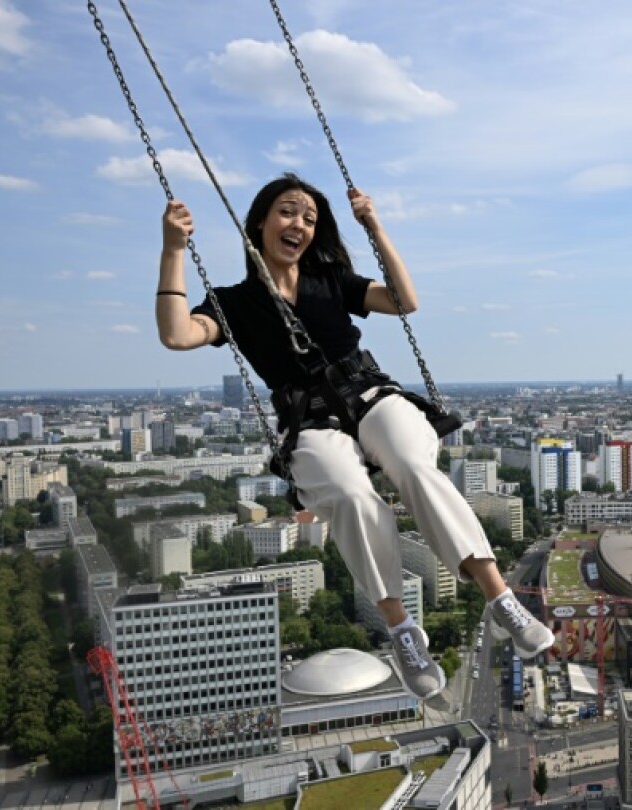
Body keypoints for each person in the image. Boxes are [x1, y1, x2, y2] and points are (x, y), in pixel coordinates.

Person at [155, 173, 552, 699]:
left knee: (412, 465)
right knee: (348, 495)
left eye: (310, 218)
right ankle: (402, 630)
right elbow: (177, 333)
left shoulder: (330, 280)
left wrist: (374, 227)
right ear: (260, 222)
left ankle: (500, 599)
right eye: (288, 211)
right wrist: (173, 249)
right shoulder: (234, 303)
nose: (299, 224)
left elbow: (404, 301)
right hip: (309, 418)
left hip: (367, 393)